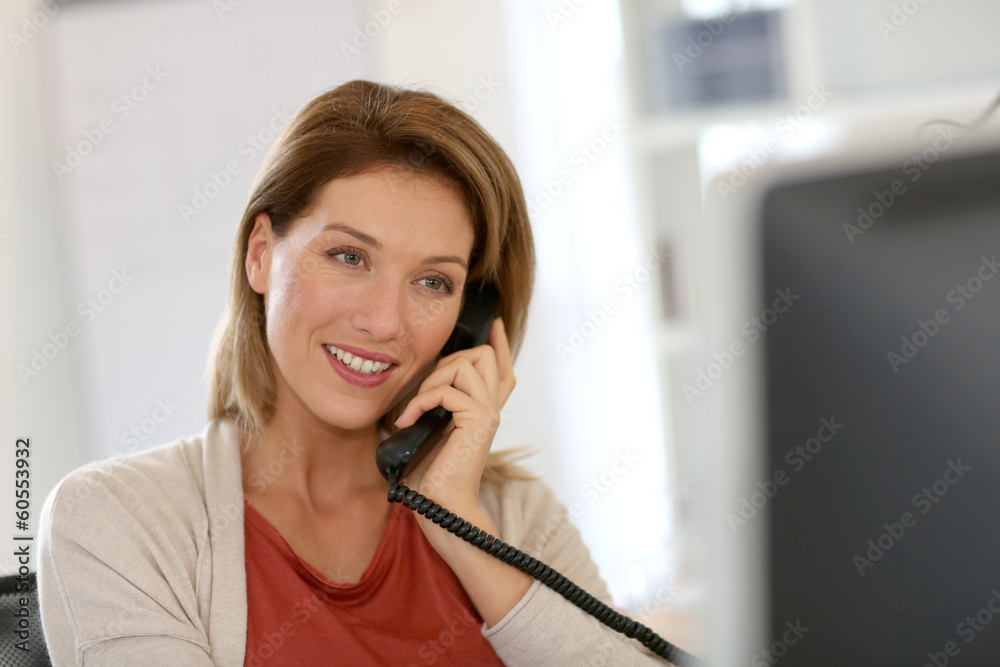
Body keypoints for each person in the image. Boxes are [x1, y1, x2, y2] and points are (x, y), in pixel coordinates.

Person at [37, 80, 664, 665]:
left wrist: (457, 520)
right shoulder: (119, 522)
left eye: (432, 282)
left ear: (470, 319)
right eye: (348, 256)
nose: (385, 321)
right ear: (261, 255)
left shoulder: (514, 516)